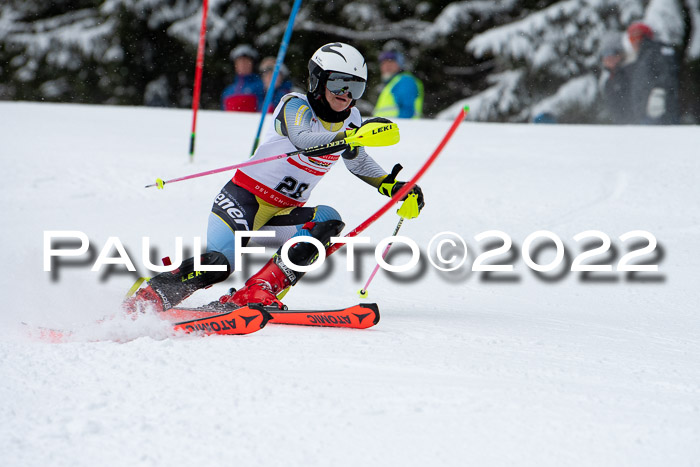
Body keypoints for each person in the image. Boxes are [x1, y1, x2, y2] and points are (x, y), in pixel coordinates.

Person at [124, 42, 425, 312]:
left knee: (328, 222)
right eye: (338, 84)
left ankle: (256, 291)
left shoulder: (352, 120)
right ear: (318, 80)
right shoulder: (294, 105)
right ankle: (150, 296)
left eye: (355, 88)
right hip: (242, 203)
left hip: (282, 214)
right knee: (217, 266)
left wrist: (394, 186)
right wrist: (351, 137)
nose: (345, 95)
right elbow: (303, 139)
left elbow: (357, 161)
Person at [601, 23, 680, 124]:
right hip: (641, 114)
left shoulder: (656, 51)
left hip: (658, 113)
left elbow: (668, 74)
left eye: (637, 37)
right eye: (631, 39)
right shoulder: (639, 59)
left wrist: (658, 93)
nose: (634, 42)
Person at [373, 47, 424, 119]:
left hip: (399, 129)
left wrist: (401, 127)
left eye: (391, 62)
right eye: (384, 63)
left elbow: (408, 110)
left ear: (400, 64)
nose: (387, 66)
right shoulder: (393, 82)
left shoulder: (405, 81)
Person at [221, 44, 265, 112]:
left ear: (252, 64)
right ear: (235, 65)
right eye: (239, 62)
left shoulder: (261, 86)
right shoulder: (228, 91)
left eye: (246, 62)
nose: (243, 65)